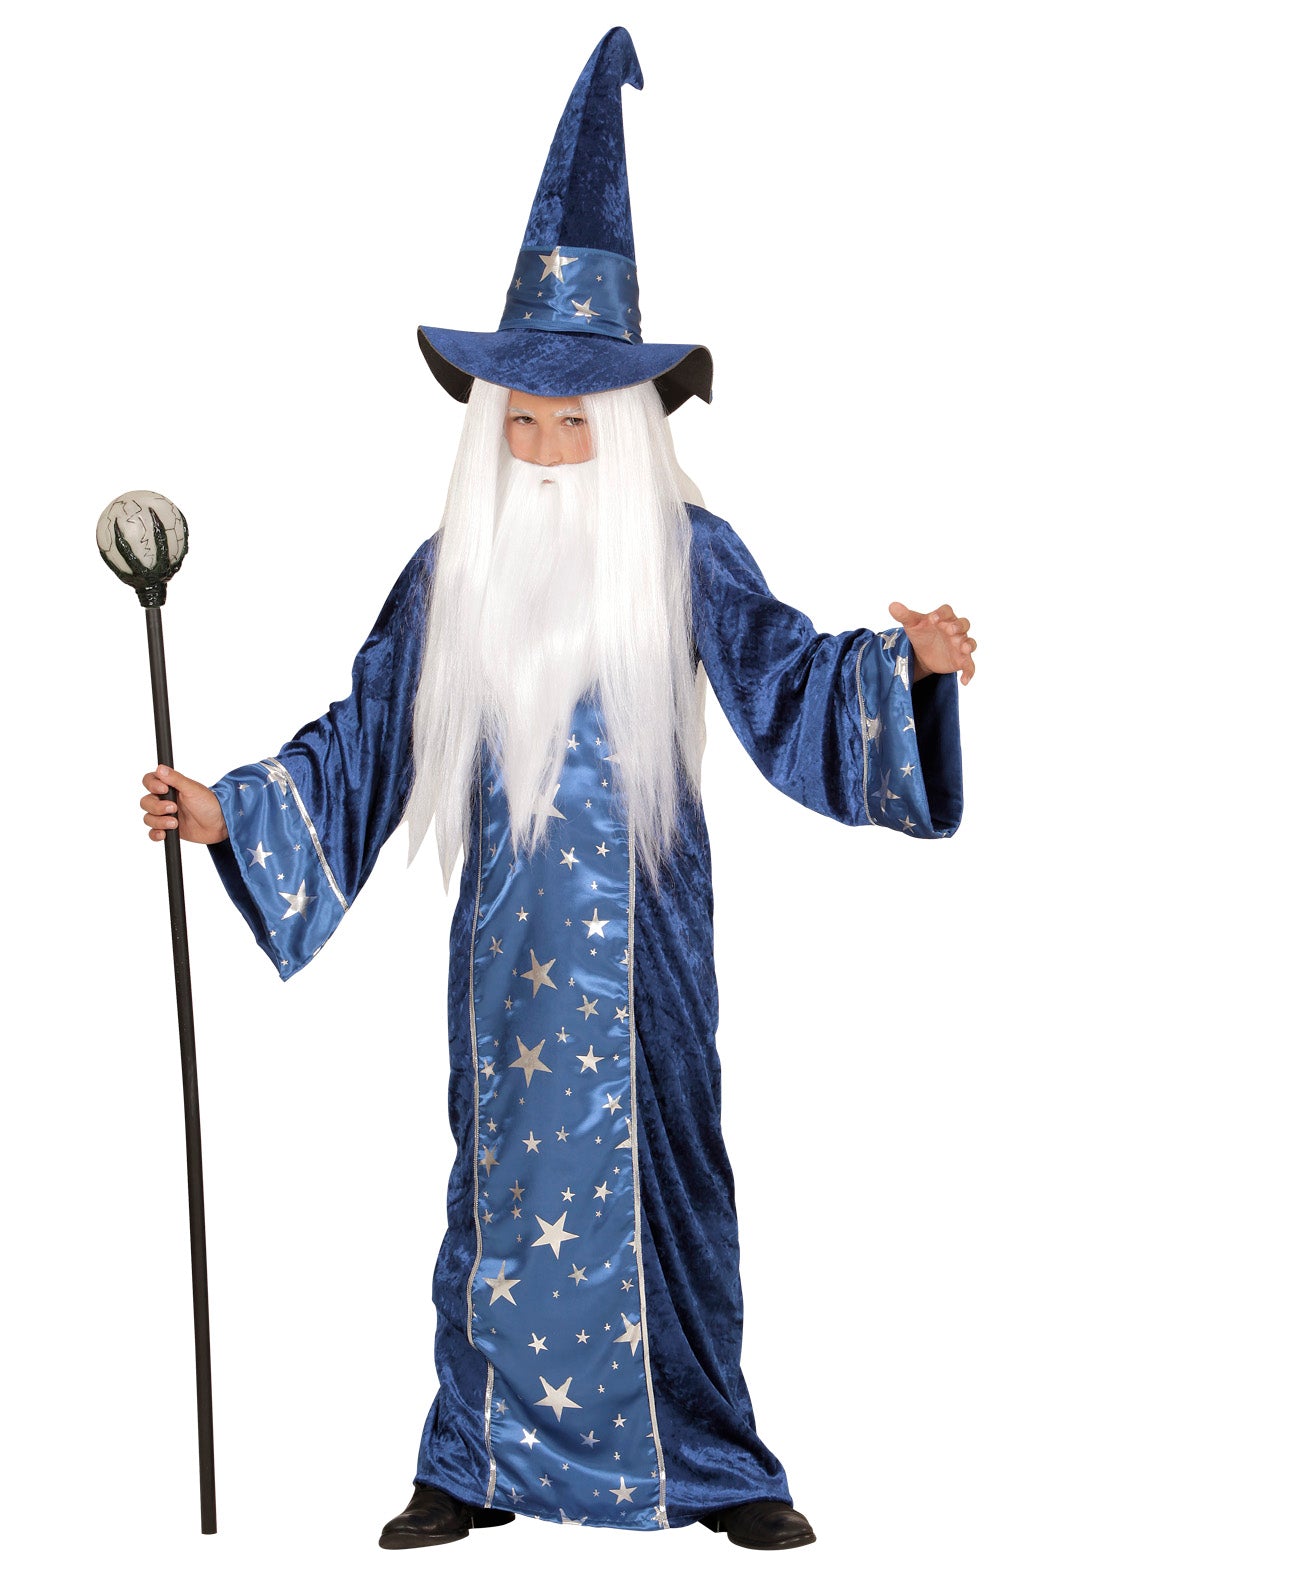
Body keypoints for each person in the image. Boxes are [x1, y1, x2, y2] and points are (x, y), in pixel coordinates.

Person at [138, 30, 975, 1553]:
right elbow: (366, 736)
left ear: (628, 424)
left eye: (572, 421)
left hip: (645, 949)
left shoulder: (686, 556)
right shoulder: (449, 574)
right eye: (518, 418)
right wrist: (232, 811)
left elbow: (788, 681)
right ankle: (474, 1457)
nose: (540, 448)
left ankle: (708, 1460)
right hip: (504, 957)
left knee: (669, 1182)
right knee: (500, 1189)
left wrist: (901, 673)